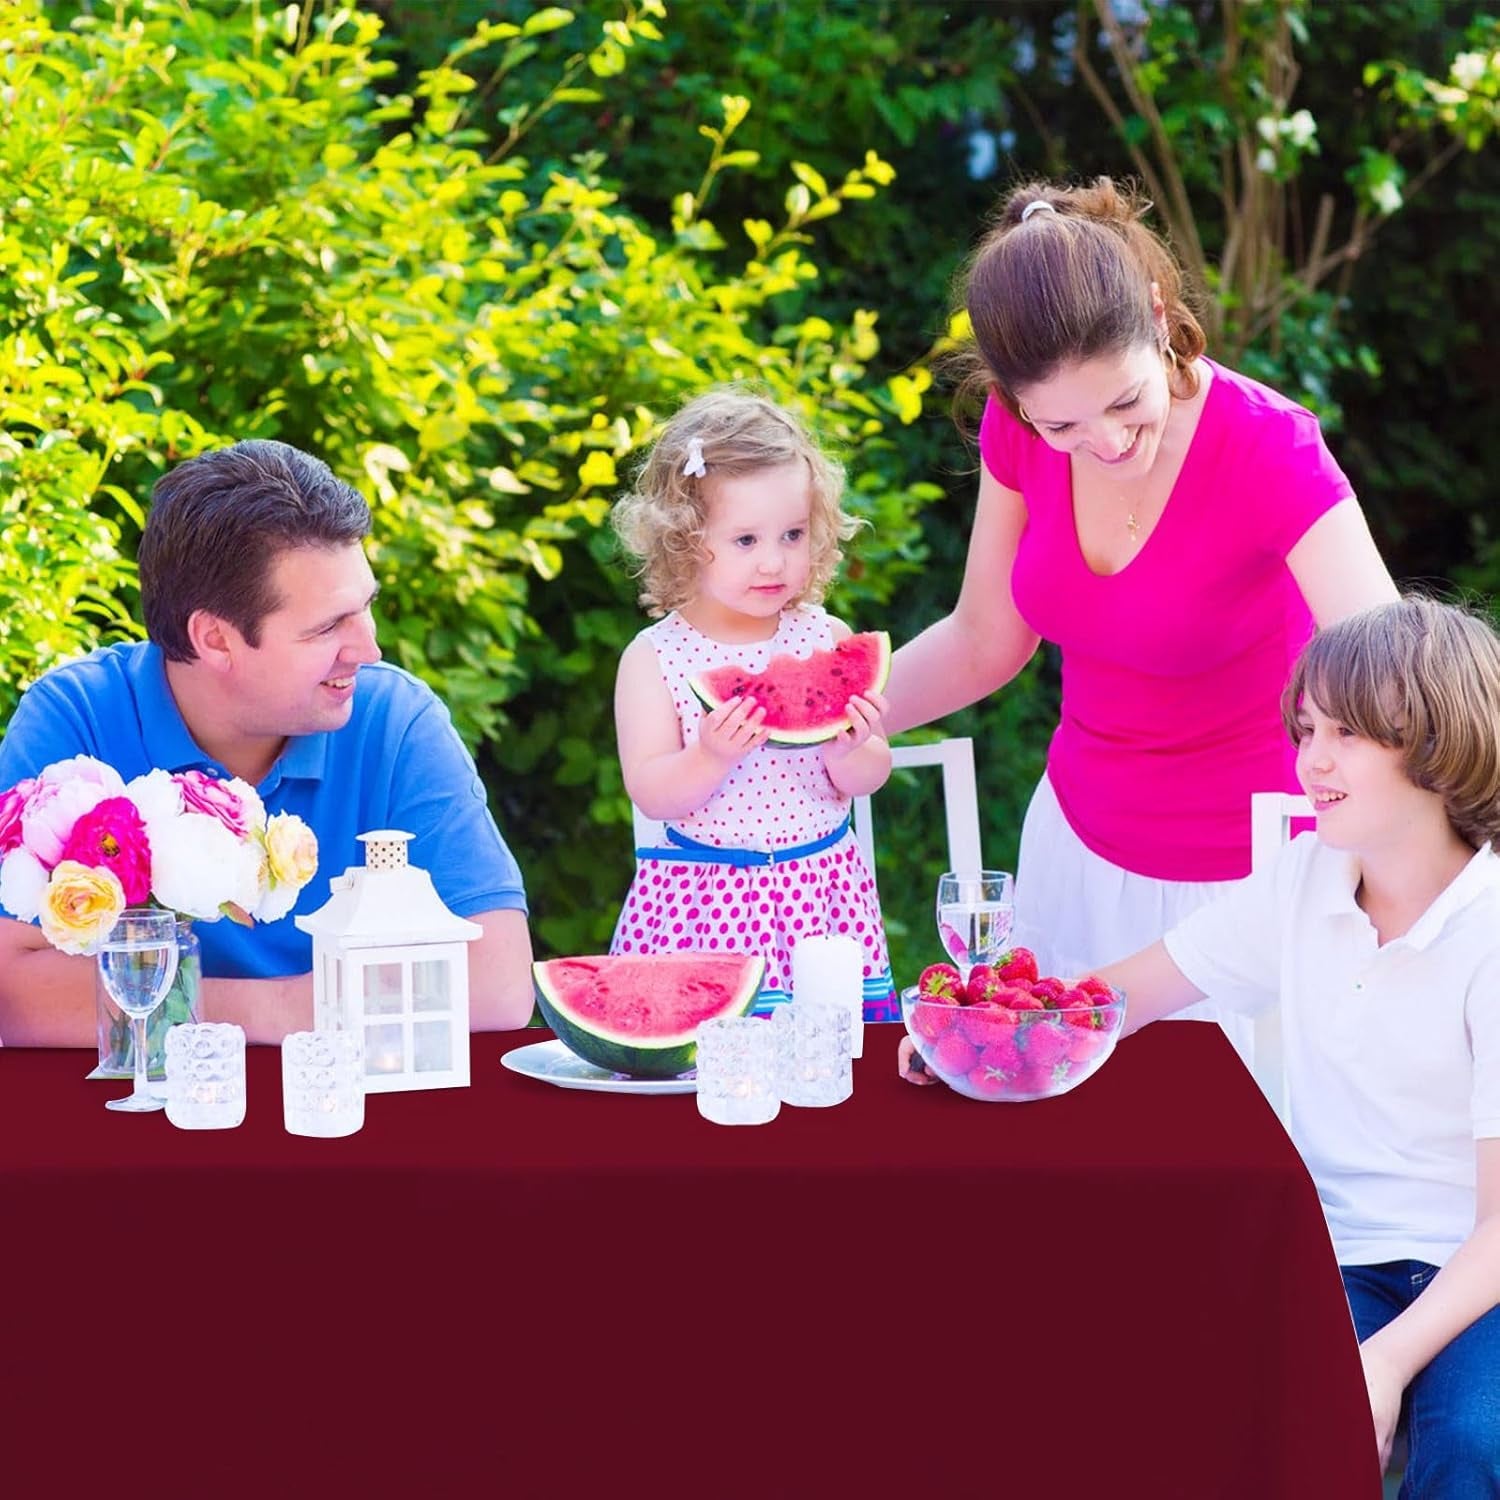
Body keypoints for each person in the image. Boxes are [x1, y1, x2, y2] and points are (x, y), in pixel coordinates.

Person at [905, 599, 1500, 1490]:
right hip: (1334, 1251)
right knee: (1217, 1408)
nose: (1312, 761)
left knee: (1471, 1451)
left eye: (1347, 733)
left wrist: (1384, 1364)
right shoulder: (1304, 881)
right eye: (1305, 730)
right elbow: (1117, 999)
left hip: (1477, 1274)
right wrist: (985, 1034)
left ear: (1435, 743)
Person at [883, 176, 1398, 1059]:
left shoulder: (1272, 449)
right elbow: (981, 641)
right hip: (1074, 854)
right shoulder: (1019, 432)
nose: (1108, 443)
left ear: (1159, 318)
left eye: (1126, 401)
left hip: (1250, 883)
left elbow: (1395, 676)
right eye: (1063, 427)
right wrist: (803, 729)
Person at [0, 439, 534, 1044]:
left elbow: (498, 983)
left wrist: (185, 1007)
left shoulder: (395, 720)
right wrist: (290, 1010)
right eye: (329, 626)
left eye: (365, 608)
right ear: (216, 639)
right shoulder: (78, 720)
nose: (369, 650)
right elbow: (13, 995)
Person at [610, 387, 897, 1019]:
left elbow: (867, 777)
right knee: (710, 1071)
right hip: (702, 903)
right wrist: (708, 756)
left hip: (821, 896)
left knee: (832, 1060)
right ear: (684, 540)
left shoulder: (827, 636)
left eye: (793, 534)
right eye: (745, 540)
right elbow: (653, 792)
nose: (774, 560)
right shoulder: (655, 657)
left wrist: (853, 747)